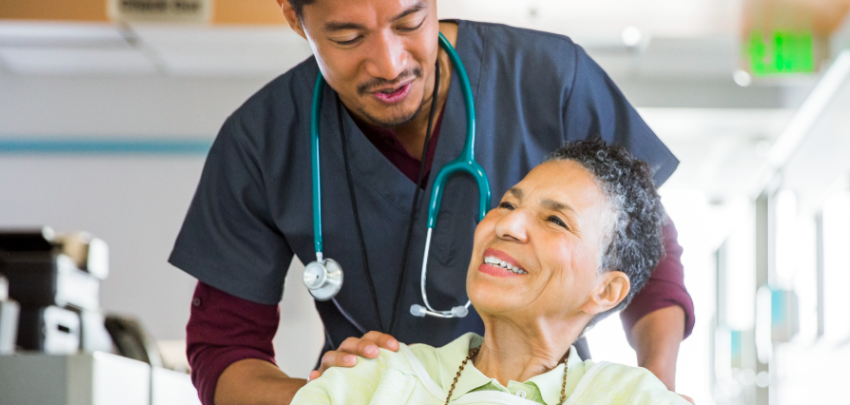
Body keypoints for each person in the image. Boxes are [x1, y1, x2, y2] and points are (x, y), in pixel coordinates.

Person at [168, 1, 694, 404]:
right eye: (348, 36)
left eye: (409, 21)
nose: (389, 63)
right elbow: (222, 349)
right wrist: (340, 395)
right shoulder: (261, 139)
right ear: (293, 16)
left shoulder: (546, 78)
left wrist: (653, 383)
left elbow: (643, 240)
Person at [290, 139, 688, 405]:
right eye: (508, 205)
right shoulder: (371, 380)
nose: (506, 225)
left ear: (606, 290)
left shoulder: (632, 398)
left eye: (555, 220)